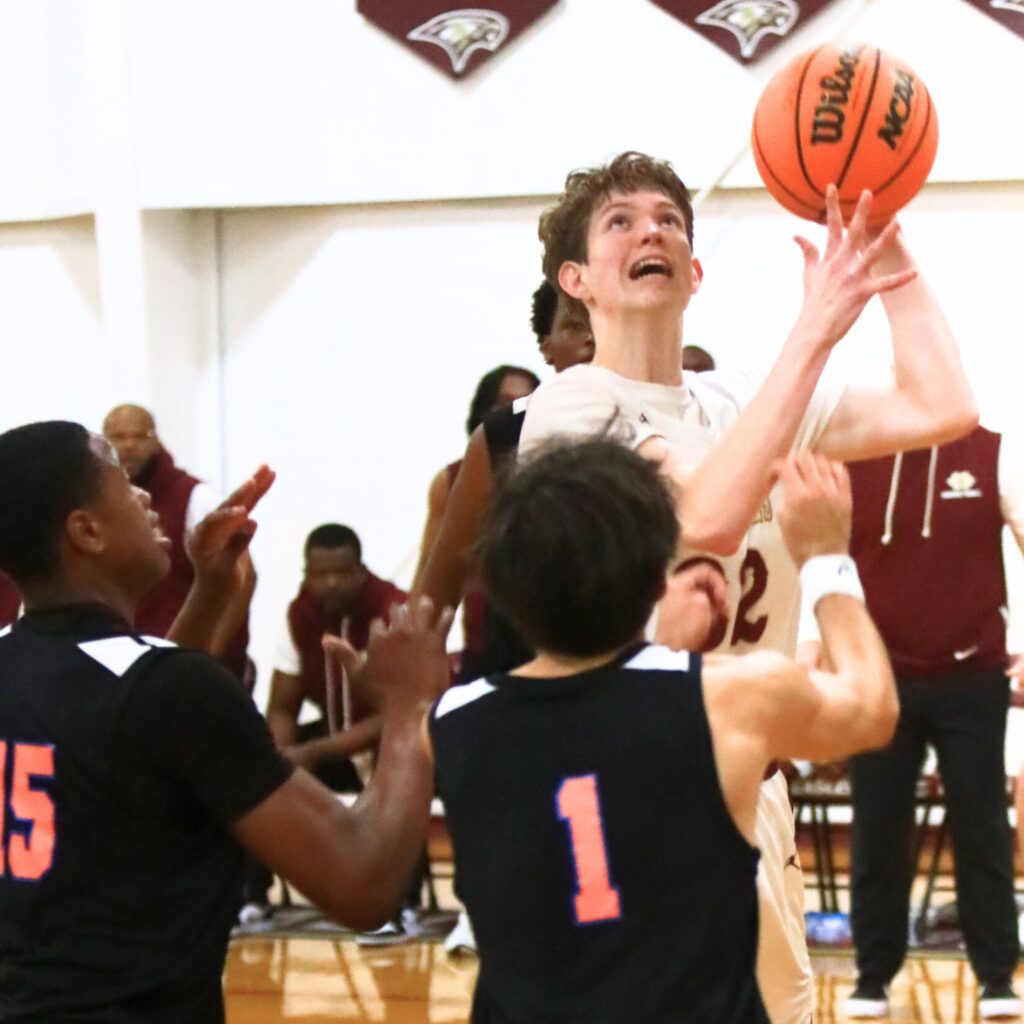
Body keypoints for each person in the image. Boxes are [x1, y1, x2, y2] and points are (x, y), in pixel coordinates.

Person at [517, 151, 978, 1024]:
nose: (650, 228)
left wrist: (885, 253)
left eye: (668, 219)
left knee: (784, 1014)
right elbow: (703, 520)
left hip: (753, 777)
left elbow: (942, 400)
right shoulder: (569, 409)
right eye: (621, 220)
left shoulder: (740, 400)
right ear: (576, 279)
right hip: (626, 784)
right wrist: (816, 329)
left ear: (695, 270)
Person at [430, 440, 898, 1023]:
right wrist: (826, 558)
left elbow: (589, 726)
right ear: (656, 572)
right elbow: (872, 708)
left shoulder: (452, 723)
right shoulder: (728, 698)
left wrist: (657, 643)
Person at [0, 420, 451, 1022]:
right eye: (119, 481)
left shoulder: (78, 672)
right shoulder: (171, 690)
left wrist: (211, 591)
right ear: (85, 531)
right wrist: (408, 709)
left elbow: (136, 726)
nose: (142, 495)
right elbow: (364, 883)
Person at [822, 426, 1024, 1019]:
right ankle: (872, 975)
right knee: (876, 830)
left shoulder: (992, 451)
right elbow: (821, 558)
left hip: (973, 674)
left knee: (981, 826)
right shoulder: (850, 457)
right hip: (877, 678)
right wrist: (823, 653)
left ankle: (995, 978)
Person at [102, 403, 251, 683]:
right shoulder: (100, 505)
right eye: (118, 437)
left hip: (188, 661)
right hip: (128, 667)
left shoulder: (195, 496)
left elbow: (242, 576)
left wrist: (207, 654)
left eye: (139, 436)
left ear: (157, 441)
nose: (129, 446)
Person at [411, 365, 540, 680]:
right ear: (483, 411)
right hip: (485, 643)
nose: (514, 411)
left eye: (526, 402)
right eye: (504, 402)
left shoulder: (569, 471)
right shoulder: (452, 479)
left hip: (549, 636)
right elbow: (432, 571)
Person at [267, 523, 407, 779]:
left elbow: (401, 712)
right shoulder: (298, 615)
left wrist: (316, 751)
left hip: (390, 753)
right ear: (306, 575)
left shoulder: (394, 611)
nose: (331, 583)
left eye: (342, 572)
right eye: (321, 574)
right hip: (331, 750)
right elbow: (282, 709)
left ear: (362, 572)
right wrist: (280, 769)